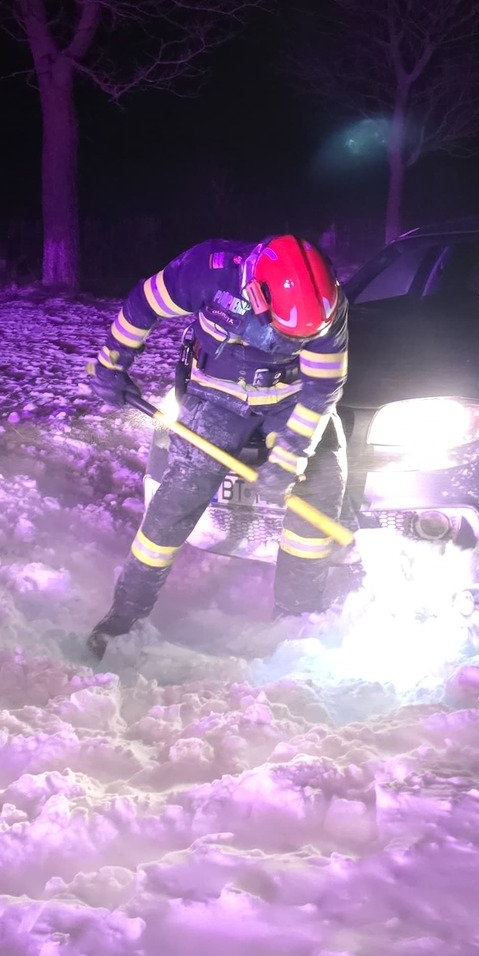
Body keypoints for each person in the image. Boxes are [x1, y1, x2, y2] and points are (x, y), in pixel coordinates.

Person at [82, 234, 348, 657]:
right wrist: (111, 362)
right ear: (258, 295)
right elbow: (142, 305)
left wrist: (289, 458)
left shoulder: (326, 308)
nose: (298, 342)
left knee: (319, 491)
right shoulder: (206, 270)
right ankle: (125, 617)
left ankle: (297, 622)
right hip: (216, 398)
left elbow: (321, 391)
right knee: (178, 498)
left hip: (290, 400)